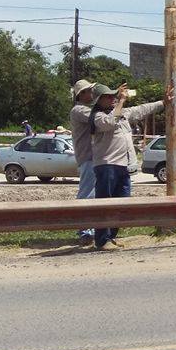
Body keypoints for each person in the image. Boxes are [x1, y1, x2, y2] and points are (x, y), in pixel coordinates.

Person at [89, 82, 170, 249]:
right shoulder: (97, 116)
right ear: (99, 100)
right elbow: (110, 122)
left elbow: (141, 109)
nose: (112, 98)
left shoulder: (123, 113)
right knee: (104, 203)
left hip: (123, 166)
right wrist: (121, 101)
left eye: (113, 95)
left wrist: (163, 103)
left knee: (122, 203)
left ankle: (110, 237)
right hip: (107, 165)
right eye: (107, 96)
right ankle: (102, 240)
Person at [68, 79, 99, 244]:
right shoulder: (79, 110)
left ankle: (90, 228)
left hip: (91, 157)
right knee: (87, 193)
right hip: (87, 157)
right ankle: (84, 229)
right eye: (89, 91)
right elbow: (98, 118)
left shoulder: (84, 110)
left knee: (92, 193)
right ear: (82, 94)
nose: (92, 93)